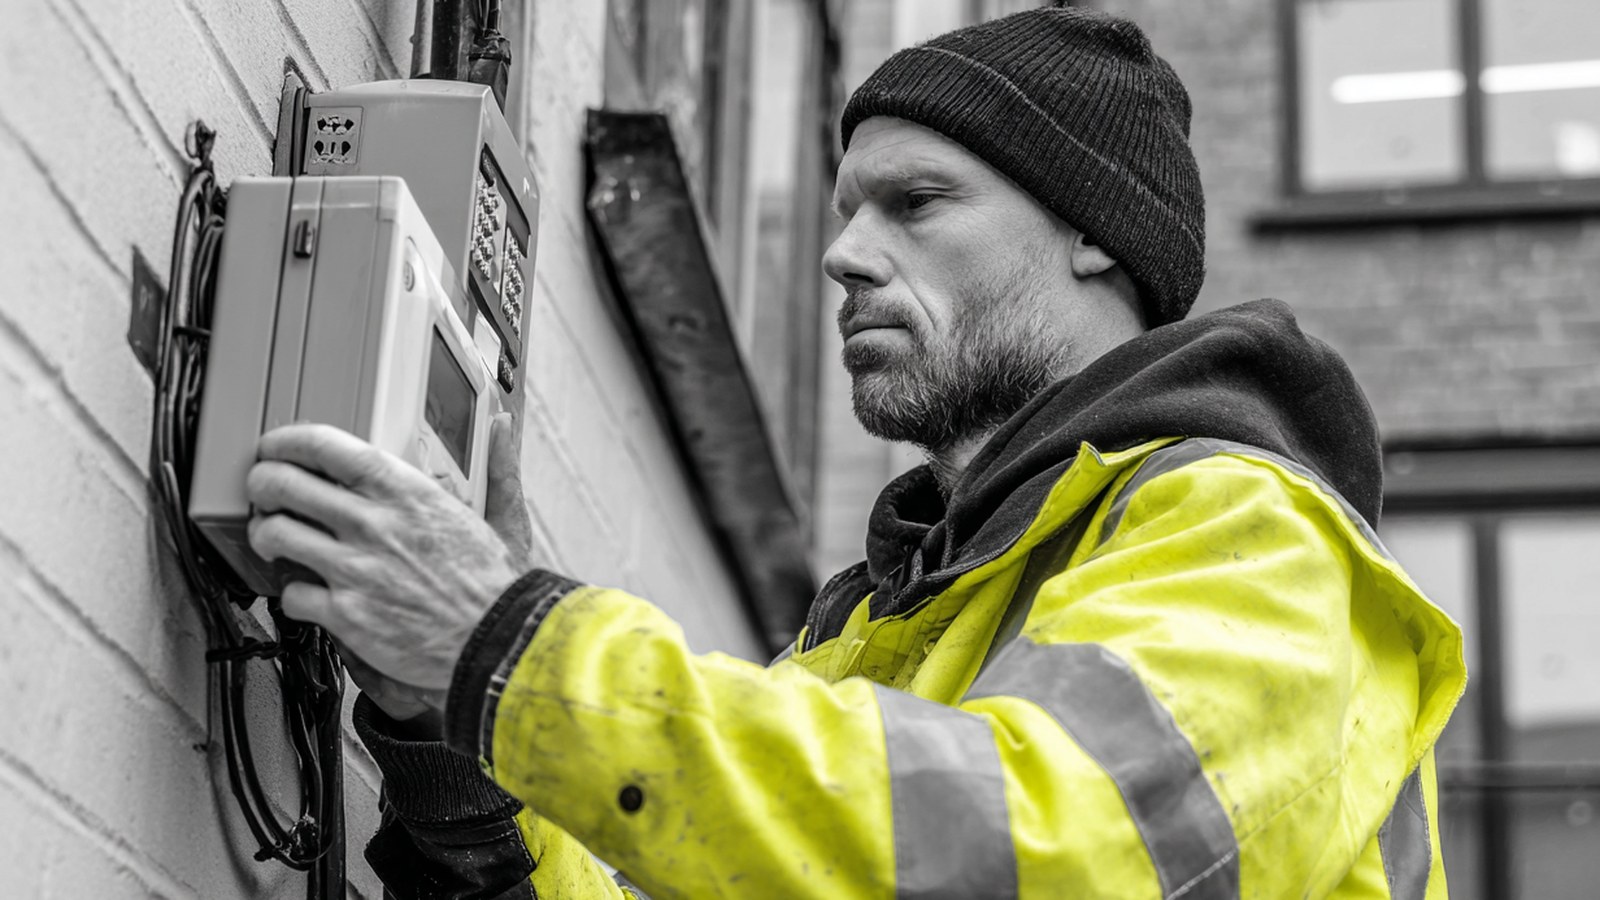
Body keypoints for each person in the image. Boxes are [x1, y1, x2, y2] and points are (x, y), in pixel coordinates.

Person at [244, 6, 1466, 898]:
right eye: (843, 213)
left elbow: (1051, 852)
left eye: (916, 203)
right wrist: (450, 736)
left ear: (1095, 238)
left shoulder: (1251, 540)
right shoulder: (875, 637)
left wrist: (511, 643)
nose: (844, 254)